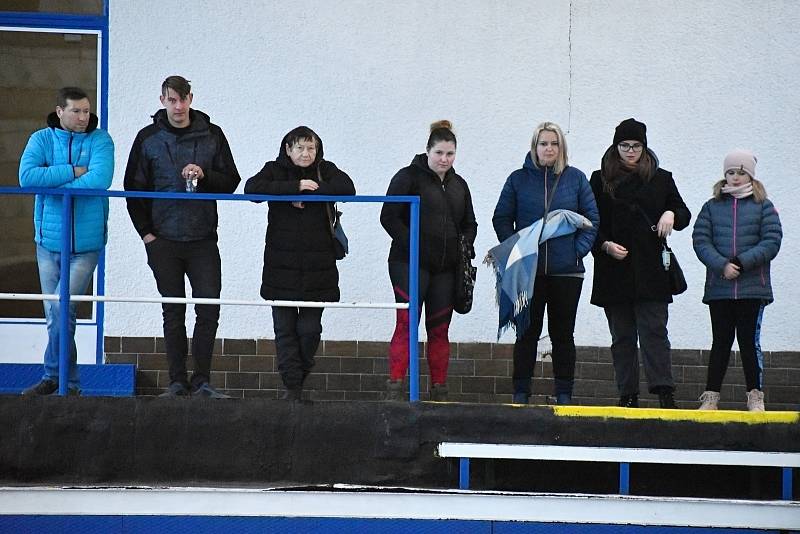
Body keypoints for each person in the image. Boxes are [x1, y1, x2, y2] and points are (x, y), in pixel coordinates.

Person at [124, 75, 240, 398]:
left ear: (192, 98)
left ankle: (202, 381)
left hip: (203, 238)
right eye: (171, 100)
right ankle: (177, 381)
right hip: (164, 240)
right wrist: (147, 235)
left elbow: (231, 180)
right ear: (162, 100)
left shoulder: (212, 135)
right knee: (173, 311)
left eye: (183, 99)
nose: (178, 106)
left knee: (208, 308)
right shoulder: (147, 138)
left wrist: (205, 176)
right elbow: (133, 190)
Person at [244, 126, 355, 400]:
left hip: (319, 270)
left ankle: (295, 383)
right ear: (287, 150)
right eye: (300, 148)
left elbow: (348, 188)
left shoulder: (325, 170)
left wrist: (310, 192)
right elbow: (252, 189)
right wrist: (292, 188)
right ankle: (293, 387)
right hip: (280, 269)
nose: (306, 154)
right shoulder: (274, 169)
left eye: (311, 148)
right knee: (284, 331)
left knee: (309, 331)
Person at [492, 121, 598, 405]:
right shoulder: (518, 179)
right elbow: (501, 218)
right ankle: (521, 393)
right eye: (543, 143)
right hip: (529, 272)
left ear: (560, 147)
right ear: (534, 147)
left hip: (567, 273)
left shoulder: (576, 179)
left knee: (563, 336)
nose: (548, 148)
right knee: (526, 334)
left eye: (553, 143)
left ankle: (564, 394)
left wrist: (577, 251)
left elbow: (591, 220)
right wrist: (517, 248)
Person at [18, 87, 114, 396]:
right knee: (55, 314)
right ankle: (65, 382)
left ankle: (57, 379)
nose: (84, 117)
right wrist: (73, 171)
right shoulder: (41, 139)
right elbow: (27, 177)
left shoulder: (100, 139)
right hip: (47, 242)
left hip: (85, 246)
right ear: (60, 111)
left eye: (87, 111)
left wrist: (54, 179)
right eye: (77, 111)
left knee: (61, 308)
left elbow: (99, 179)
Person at [589, 118, 691, 409]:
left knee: (655, 333)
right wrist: (605, 245)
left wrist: (670, 212)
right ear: (615, 146)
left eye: (636, 146)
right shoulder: (600, 179)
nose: (630, 151)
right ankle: (627, 395)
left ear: (644, 147)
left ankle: (664, 392)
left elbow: (684, 214)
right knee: (621, 337)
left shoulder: (661, 178)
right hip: (614, 269)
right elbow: (589, 222)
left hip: (651, 269)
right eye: (624, 145)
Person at [381, 120, 477, 402]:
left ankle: (439, 391)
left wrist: (465, 245)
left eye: (450, 154)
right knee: (406, 323)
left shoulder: (460, 185)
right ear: (428, 151)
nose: (444, 160)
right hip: (407, 264)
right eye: (439, 153)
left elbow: (470, 223)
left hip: (446, 269)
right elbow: (389, 217)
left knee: (440, 329)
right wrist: (414, 245)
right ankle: (395, 388)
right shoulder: (408, 177)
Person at [692, 150, 782, 412]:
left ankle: (755, 396)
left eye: (740, 172)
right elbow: (701, 240)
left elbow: (772, 240)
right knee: (720, 341)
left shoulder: (763, 206)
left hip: (752, 288)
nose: (734, 177)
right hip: (720, 288)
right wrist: (722, 265)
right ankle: (711, 397)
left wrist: (741, 263)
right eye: (730, 172)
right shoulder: (711, 206)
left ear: (750, 175)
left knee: (748, 342)